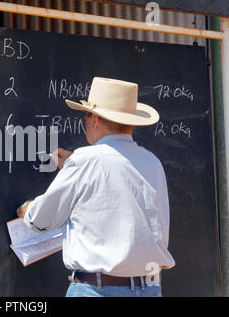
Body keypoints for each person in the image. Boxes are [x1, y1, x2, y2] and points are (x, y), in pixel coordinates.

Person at [16, 77, 175, 297]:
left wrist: (27, 209)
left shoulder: (84, 162)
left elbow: (40, 219)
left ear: (96, 121)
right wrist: (73, 170)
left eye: (86, 115)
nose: (85, 121)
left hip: (97, 290)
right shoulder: (152, 162)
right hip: (149, 289)